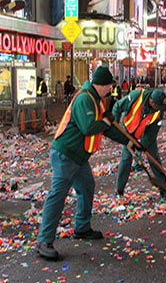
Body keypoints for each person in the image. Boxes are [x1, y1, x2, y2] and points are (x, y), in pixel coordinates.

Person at [36, 66, 129, 261]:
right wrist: (105, 122)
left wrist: (128, 141)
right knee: (58, 195)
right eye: (109, 86)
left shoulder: (96, 101)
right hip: (66, 154)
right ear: (101, 85)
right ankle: (44, 241)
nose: (111, 90)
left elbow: (107, 128)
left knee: (87, 187)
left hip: (79, 157)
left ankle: (82, 227)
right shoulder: (84, 98)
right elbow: (89, 127)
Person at [113, 88, 166, 198]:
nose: (159, 109)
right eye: (158, 106)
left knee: (153, 158)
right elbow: (117, 107)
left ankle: (164, 188)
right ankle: (119, 191)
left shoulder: (158, 111)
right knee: (126, 159)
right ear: (151, 101)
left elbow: (152, 133)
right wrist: (115, 125)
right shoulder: (136, 96)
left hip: (145, 134)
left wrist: (142, 148)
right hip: (128, 131)